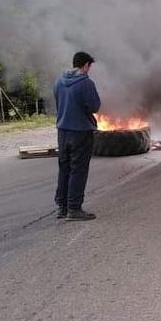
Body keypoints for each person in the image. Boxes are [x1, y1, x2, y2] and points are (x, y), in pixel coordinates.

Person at [54, 51, 102, 221]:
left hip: (62, 131)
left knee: (64, 168)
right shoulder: (86, 83)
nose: (90, 70)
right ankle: (74, 208)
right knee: (78, 169)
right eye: (90, 66)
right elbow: (95, 106)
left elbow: (58, 102)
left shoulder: (59, 81)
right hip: (81, 132)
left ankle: (62, 207)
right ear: (86, 65)